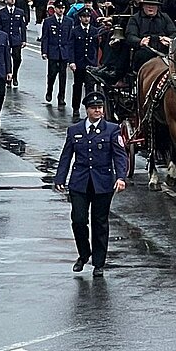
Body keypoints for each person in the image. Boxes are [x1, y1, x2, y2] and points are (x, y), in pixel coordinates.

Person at [53, 91, 128, 279]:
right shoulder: (75, 130)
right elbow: (66, 156)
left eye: (100, 107)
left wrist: (121, 177)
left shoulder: (112, 130)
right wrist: (60, 178)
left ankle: (99, 263)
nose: (98, 111)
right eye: (94, 108)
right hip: (80, 182)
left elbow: (120, 156)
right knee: (78, 220)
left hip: (103, 183)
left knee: (99, 223)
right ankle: (84, 253)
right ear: (87, 110)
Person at [68, 5, 98, 119]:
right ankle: (75, 108)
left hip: (90, 63)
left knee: (90, 87)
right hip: (79, 63)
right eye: (84, 17)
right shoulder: (75, 31)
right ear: (80, 18)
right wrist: (72, 61)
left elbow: (96, 47)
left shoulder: (94, 31)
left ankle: (89, 108)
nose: (86, 19)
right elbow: (71, 47)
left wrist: (96, 62)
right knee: (78, 86)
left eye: (88, 17)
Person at [41, 0, 71, 105]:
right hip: (53, 51)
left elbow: (70, 39)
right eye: (59, 8)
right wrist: (44, 51)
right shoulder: (48, 21)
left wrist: (69, 53)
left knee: (63, 76)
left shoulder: (69, 21)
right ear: (55, 9)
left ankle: (61, 96)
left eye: (63, 8)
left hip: (64, 52)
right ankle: (49, 91)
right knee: (52, 74)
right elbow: (45, 37)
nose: (61, 10)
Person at [0, 0, 29, 88]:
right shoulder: (1, 12)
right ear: (6, 1)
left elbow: (22, 27)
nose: (12, 0)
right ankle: (7, 76)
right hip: (5, 38)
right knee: (4, 58)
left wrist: (23, 40)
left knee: (17, 58)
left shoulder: (20, 12)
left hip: (16, 39)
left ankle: (15, 75)